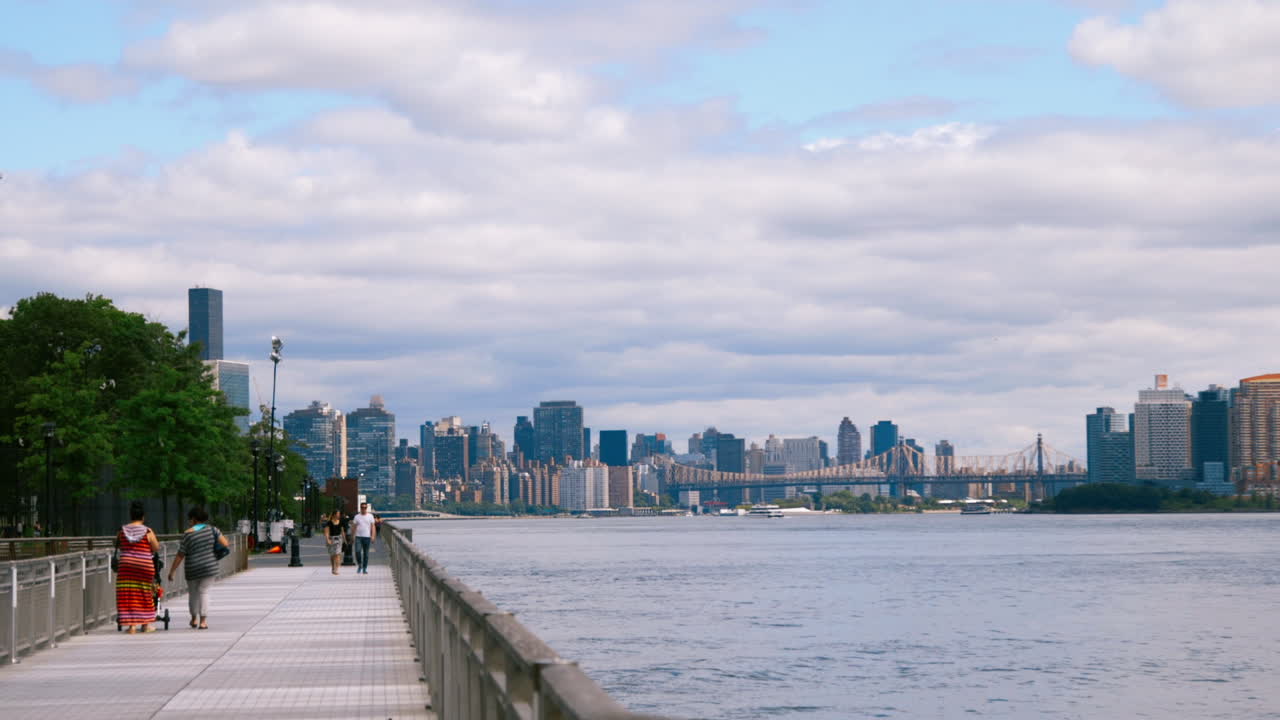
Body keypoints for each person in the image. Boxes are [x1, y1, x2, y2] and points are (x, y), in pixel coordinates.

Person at [168, 506, 228, 630]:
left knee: (193, 594)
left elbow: (180, 554)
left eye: (190, 519)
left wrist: (172, 571)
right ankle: (203, 622)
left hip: (192, 568)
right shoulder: (213, 530)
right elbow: (225, 543)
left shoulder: (187, 534)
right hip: (209, 567)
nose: (189, 522)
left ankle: (194, 619)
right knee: (204, 592)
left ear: (194, 519)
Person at [116, 501, 160, 634]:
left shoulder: (122, 530)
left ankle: (132, 626)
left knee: (127, 593)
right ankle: (146, 625)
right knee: (145, 593)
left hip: (126, 565)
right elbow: (156, 547)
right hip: (144, 565)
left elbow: (119, 545)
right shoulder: (148, 531)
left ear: (131, 515)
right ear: (143, 517)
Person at [350, 502, 376, 574]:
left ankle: (364, 568)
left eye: (365, 507)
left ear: (366, 508)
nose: (363, 509)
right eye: (362, 507)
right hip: (358, 537)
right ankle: (360, 565)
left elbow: (373, 527)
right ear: (360, 508)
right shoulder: (357, 517)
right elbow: (353, 527)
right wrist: (352, 536)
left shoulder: (370, 516)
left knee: (366, 554)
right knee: (357, 551)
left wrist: (373, 536)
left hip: (367, 537)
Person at [323, 509, 344, 575]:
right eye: (338, 514)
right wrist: (327, 539)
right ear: (334, 515)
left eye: (339, 514)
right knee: (333, 555)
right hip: (331, 539)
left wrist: (345, 540)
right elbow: (326, 532)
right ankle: (333, 567)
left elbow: (342, 531)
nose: (339, 515)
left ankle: (336, 569)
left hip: (339, 539)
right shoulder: (329, 523)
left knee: (338, 554)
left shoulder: (340, 522)